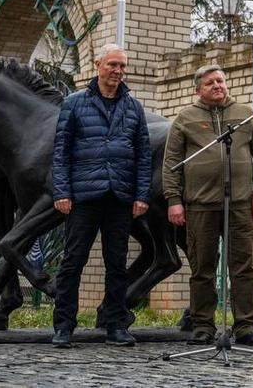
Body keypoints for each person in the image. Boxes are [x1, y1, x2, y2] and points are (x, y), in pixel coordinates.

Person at [50, 43, 151, 348]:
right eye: (113, 65)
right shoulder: (74, 103)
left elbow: (143, 154)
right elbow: (61, 151)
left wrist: (141, 194)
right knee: (72, 262)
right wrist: (62, 191)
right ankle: (64, 326)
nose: (118, 71)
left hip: (119, 196)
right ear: (98, 65)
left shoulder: (133, 107)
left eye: (122, 66)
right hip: (83, 196)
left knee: (117, 264)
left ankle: (115, 324)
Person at [163, 65, 253, 346]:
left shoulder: (246, 115)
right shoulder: (185, 118)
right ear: (198, 89)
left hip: (240, 205)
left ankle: (246, 326)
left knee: (244, 267)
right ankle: (203, 326)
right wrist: (174, 200)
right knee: (202, 268)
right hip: (200, 205)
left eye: (221, 81)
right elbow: (171, 162)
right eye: (210, 82)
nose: (218, 85)